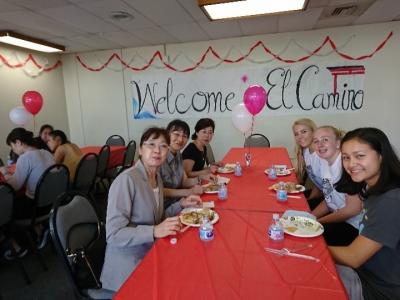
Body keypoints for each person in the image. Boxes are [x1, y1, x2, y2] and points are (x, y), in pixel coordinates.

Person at [100, 127, 202, 292]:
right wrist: (154, 231)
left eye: (163, 146)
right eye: (151, 145)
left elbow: (157, 219)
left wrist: (181, 204)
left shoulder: (155, 177)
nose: (157, 150)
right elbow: (113, 234)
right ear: (140, 150)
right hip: (129, 268)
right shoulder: (126, 180)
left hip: (152, 253)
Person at [329, 127, 400, 300]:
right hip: (366, 272)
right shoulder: (373, 187)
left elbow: (354, 257)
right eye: (346, 157)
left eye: (360, 156)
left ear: (381, 156)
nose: (351, 164)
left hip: (377, 288)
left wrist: (311, 248)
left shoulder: (391, 200)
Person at [0, 128, 55, 259]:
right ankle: (39, 230)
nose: (13, 150)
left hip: (35, 208)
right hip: (52, 203)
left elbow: (14, 186)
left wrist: (5, 172)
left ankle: (19, 247)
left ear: (18, 142)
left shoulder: (25, 159)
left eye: (12, 146)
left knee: (6, 209)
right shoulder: (46, 153)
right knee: (21, 200)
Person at [311, 126, 362, 246]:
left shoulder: (347, 166)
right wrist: (310, 216)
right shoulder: (325, 162)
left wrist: (318, 221)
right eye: (316, 141)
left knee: (311, 239)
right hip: (337, 215)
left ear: (338, 143)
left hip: (354, 225)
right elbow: (329, 199)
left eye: (325, 139)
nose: (320, 144)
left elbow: (352, 210)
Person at [160, 120, 216, 208]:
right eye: (176, 134)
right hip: (165, 207)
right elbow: (158, 191)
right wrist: (188, 192)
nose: (180, 139)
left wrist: (200, 178)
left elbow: (184, 181)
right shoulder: (159, 158)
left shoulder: (178, 154)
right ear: (167, 134)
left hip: (179, 200)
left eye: (184, 136)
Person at [292, 118, 323, 207]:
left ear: (314, 132)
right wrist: (309, 200)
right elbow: (319, 184)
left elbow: (326, 188)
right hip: (323, 194)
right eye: (296, 134)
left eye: (304, 131)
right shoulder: (305, 151)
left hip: (330, 201)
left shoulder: (322, 155)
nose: (300, 136)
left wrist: (308, 203)